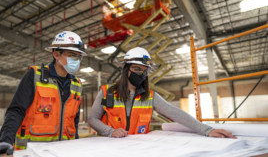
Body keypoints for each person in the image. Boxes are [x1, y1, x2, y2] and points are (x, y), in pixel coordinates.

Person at [88, 47, 236, 139]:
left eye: (144, 71)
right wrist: (110, 131)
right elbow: (93, 118)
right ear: (126, 69)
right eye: (136, 69)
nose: (140, 73)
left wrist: (207, 130)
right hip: (108, 146)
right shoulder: (107, 92)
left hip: (138, 148)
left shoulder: (150, 96)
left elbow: (176, 113)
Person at [0, 31, 87, 157]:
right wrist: (5, 140)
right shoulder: (34, 76)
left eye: (79, 56)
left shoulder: (77, 84)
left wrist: (76, 144)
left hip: (66, 155)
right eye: (72, 55)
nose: (76, 60)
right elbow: (16, 110)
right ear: (56, 54)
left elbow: (74, 120)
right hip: (32, 154)